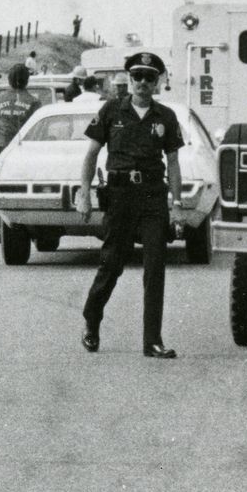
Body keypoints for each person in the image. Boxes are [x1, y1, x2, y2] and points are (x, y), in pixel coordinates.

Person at [72, 50, 186, 358]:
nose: (143, 82)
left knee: (155, 267)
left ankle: (152, 340)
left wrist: (177, 204)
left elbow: (174, 162)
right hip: (120, 196)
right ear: (130, 79)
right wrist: (84, 193)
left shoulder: (166, 117)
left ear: (157, 82)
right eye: (137, 76)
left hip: (153, 196)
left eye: (149, 77)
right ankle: (92, 320)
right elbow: (91, 154)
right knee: (112, 264)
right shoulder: (112, 110)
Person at [0, 63, 42, 190]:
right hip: (25, 148)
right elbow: (39, 128)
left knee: (2, 184)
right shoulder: (34, 101)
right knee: (23, 185)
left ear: (9, 79)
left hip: (2, 146)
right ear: (27, 80)